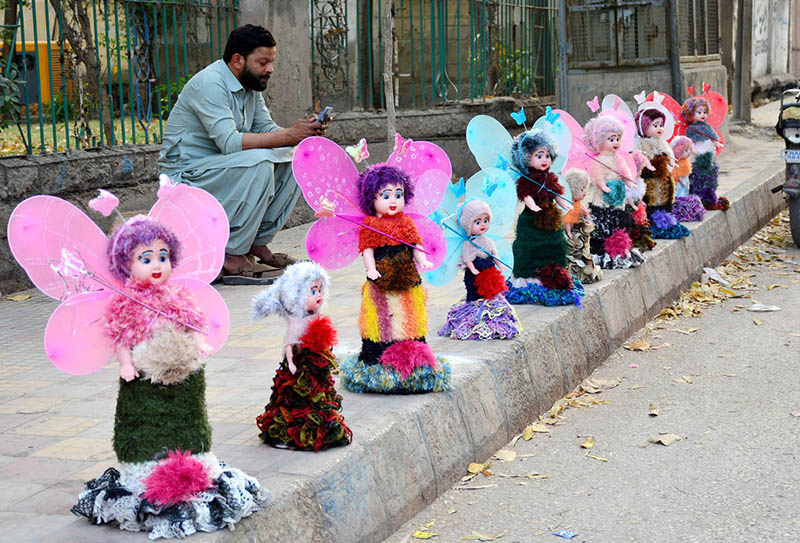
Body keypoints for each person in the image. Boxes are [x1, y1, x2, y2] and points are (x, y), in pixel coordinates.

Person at [158, 24, 325, 284]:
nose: (270, 69)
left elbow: (268, 131)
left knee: (294, 157)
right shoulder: (210, 83)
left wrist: (302, 134)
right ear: (237, 60)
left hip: (221, 169)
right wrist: (289, 135)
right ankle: (233, 255)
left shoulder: (249, 86)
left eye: (271, 62)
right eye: (263, 62)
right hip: (185, 176)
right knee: (259, 163)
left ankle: (256, 243)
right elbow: (229, 142)